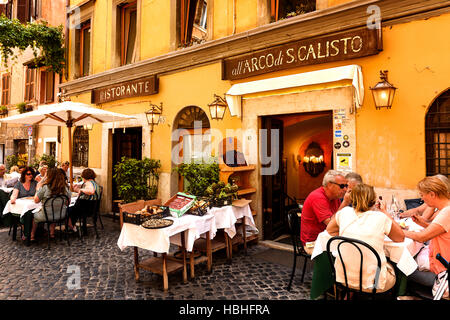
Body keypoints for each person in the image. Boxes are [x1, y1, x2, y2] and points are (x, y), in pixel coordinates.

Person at [326, 183, 405, 293]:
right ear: (373, 200)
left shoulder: (344, 213)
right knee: (397, 269)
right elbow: (400, 238)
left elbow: (330, 230)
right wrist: (384, 211)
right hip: (374, 283)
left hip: (344, 278)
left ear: (351, 199)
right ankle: (401, 294)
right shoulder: (381, 217)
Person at [402, 176, 450, 291]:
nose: (422, 199)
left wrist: (399, 231)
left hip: (443, 268)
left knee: (401, 268)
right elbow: (441, 231)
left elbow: (422, 237)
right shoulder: (446, 209)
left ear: (432, 194)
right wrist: (423, 223)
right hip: (443, 262)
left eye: (422, 195)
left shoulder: (446, 212)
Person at [300, 170, 350, 254]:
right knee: (346, 251)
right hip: (312, 243)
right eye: (342, 186)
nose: (345, 189)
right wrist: (345, 202)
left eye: (346, 186)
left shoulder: (335, 197)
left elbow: (340, 218)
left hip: (328, 237)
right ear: (330, 185)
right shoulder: (318, 197)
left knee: (352, 247)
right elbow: (331, 225)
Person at [31, 168, 72, 241]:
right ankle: (51, 233)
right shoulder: (66, 187)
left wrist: (37, 189)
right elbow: (68, 203)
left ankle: (32, 235)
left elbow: (36, 200)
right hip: (61, 215)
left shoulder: (45, 187)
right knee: (53, 210)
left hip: (46, 216)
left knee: (32, 216)